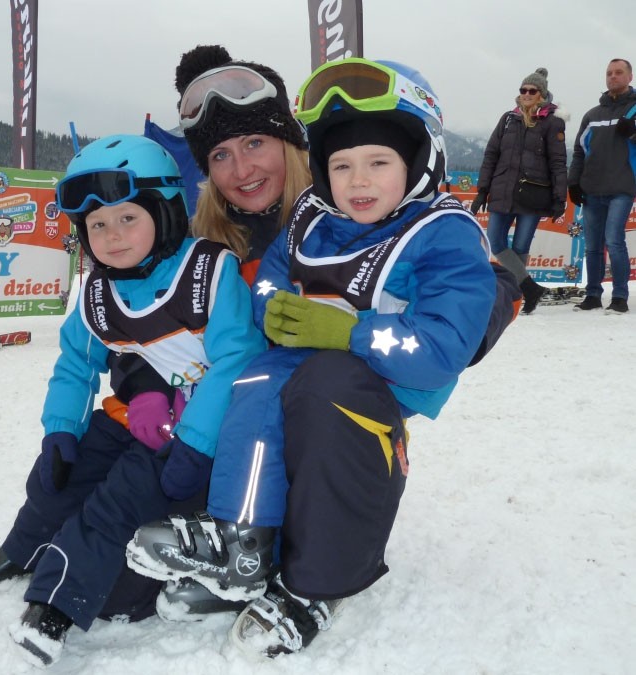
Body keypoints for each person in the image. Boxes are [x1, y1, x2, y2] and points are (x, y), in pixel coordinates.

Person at [126, 57, 498, 659]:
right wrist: (273, 309)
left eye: (379, 163)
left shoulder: (442, 232)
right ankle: (243, 542)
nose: (358, 181)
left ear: (419, 161)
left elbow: (440, 350)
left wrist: (350, 333)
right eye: (342, 166)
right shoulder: (313, 217)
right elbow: (274, 275)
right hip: (299, 368)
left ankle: (318, 581)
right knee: (256, 381)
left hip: (378, 388)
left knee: (325, 389)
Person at [0, 134, 266, 667]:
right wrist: (61, 430)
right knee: (58, 477)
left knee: (116, 504)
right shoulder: (99, 292)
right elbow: (76, 363)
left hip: (189, 433)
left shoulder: (207, 273)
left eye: (128, 218)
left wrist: (196, 443)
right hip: (129, 419)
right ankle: (24, 546)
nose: (112, 236)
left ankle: (56, 604)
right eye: (97, 225)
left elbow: (237, 360)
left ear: (165, 212)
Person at [472, 67, 567, 314]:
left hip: (533, 194)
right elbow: (491, 154)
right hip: (502, 190)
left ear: (541, 94)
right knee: (495, 241)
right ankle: (530, 288)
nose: (526, 94)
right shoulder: (508, 119)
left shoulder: (552, 122)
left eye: (532, 91)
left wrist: (560, 198)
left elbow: (558, 163)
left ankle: (516, 298)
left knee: (521, 247)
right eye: (523, 89)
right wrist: (482, 190)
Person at [567, 58, 636, 314]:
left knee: (614, 240)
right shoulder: (592, 115)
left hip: (622, 186)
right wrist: (573, 182)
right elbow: (579, 152)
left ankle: (619, 296)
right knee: (593, 245)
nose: (613, 77)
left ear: (630, 77)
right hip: (592, 188)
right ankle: (593, 295)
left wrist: (633, 132)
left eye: (618, 72)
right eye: (609, 73)